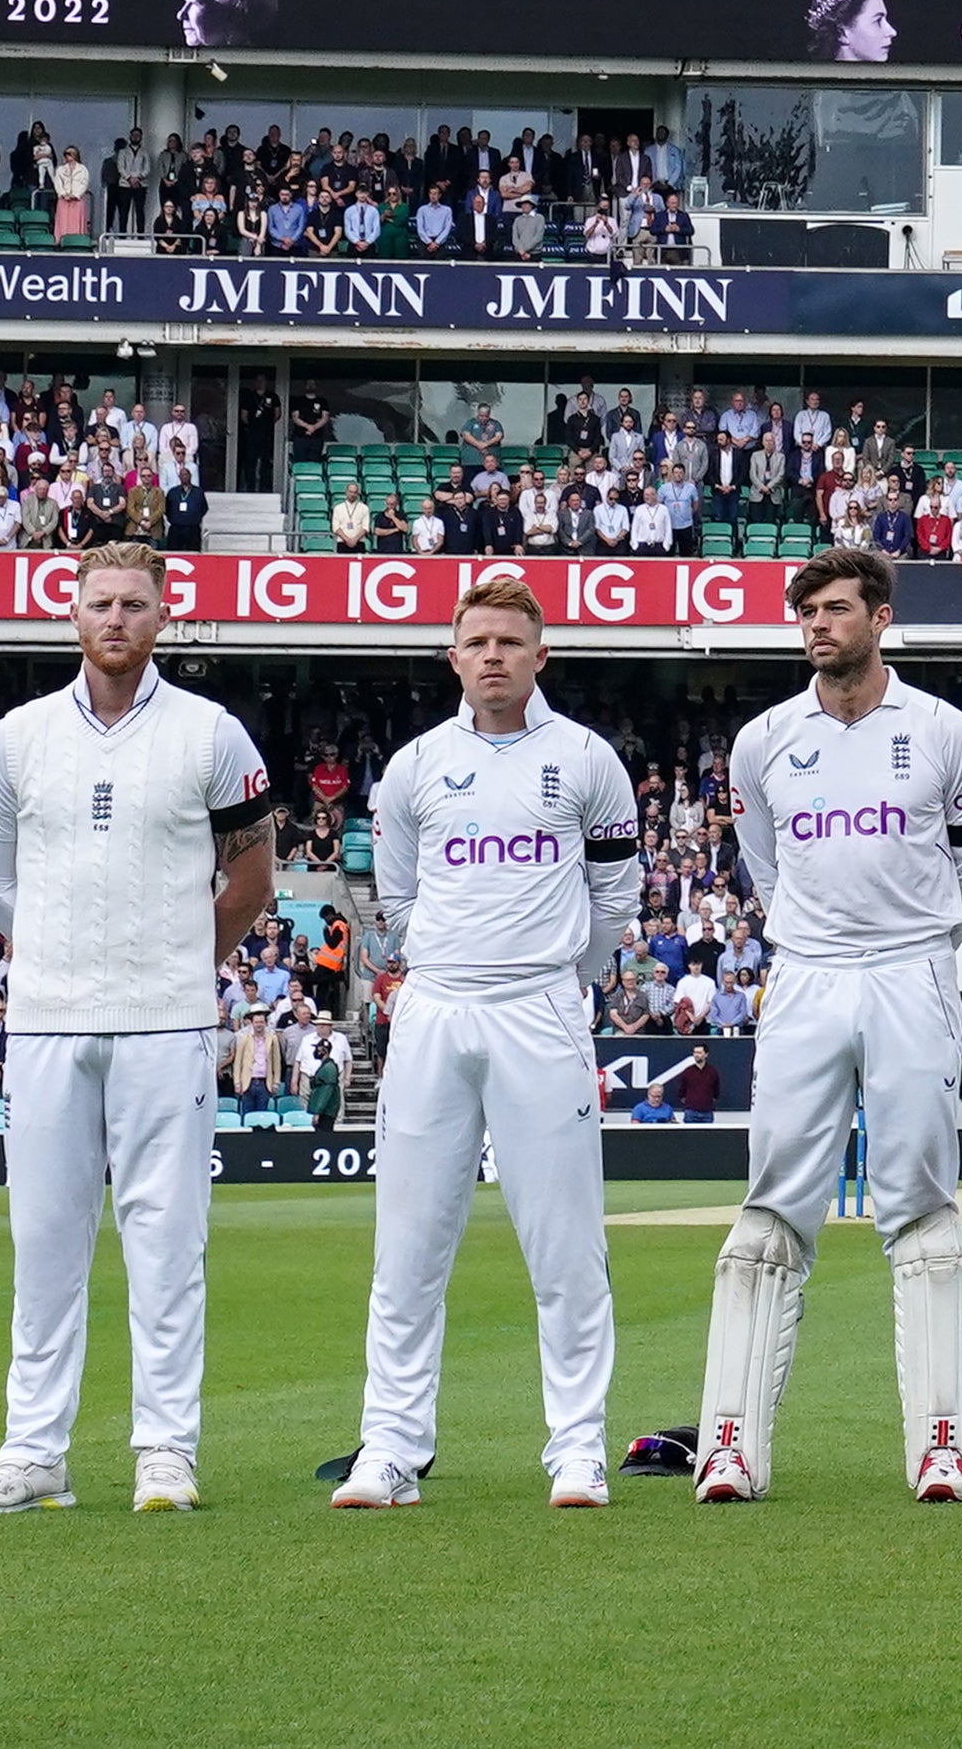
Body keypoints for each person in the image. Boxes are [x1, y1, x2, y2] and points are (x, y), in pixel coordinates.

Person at [0, 541, 277, 1514]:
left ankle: (164, 1452)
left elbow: (252, 880)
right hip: (49, 1022)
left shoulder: (213, 733)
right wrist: (63, 959)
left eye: (135, 603)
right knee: (45, 1242)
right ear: (72, 613)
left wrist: (177, 967)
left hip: (166, 1022)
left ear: (163, 614)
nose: (117, 619)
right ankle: (33, 1453)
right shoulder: (15, 739)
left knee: (166, 1242)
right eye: (100, 602)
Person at [697, 547, 962, 1504]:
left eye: (835, 609)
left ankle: (943, 1446)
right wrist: (824, 943)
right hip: (806, 977)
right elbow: (765, 862)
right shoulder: (764, 738)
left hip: (912, 969)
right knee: (772, 1203)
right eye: (807, 613)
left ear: (879, 616)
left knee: (919, 1204)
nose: (817, 626)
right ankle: (731, 1446)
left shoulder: (946, 731)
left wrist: (912, 944)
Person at [335, 579, 637, 1511]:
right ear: (453, 657)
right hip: (437, 1010)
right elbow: (398, 898)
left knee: (566, 1248)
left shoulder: (587, 758)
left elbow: (614, 899)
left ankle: (577, 1447)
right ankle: (388, 1448)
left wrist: (557, 978)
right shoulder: (416, 765)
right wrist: (444, 960)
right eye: (478, 641)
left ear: (541, 655)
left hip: (540, 1010)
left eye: (512, 639)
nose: (495, 654)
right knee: (409, 1247)